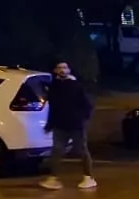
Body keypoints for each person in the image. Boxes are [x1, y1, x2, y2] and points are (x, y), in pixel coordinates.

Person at [39, 62, 97, 190]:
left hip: (76, 125)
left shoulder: (76, 85)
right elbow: (53, 108)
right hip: (60, 125)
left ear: (69, 70)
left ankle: (89, 177)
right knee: (56, 151)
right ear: (55, 70)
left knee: (81, 150)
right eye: (59, 68)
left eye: (64, 68)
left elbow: (87, 105)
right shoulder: (54, 87)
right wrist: (50, 124)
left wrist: (82, 119)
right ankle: (53, 178)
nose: (62, 70)